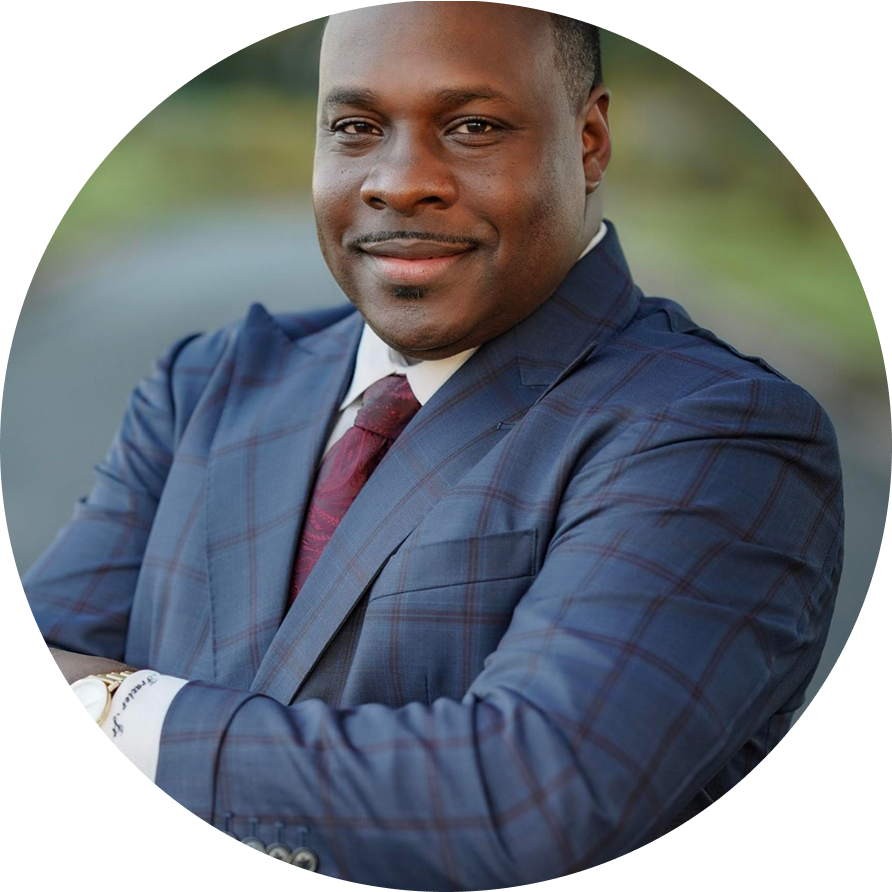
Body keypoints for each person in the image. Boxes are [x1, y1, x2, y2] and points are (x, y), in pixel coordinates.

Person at [26, 3, 843, 886]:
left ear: (589, 142)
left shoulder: (717, 430)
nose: (400, 181)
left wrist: (128, 709)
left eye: (473, 126)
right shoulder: (210, 383)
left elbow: (527, 801)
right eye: (355, 128)